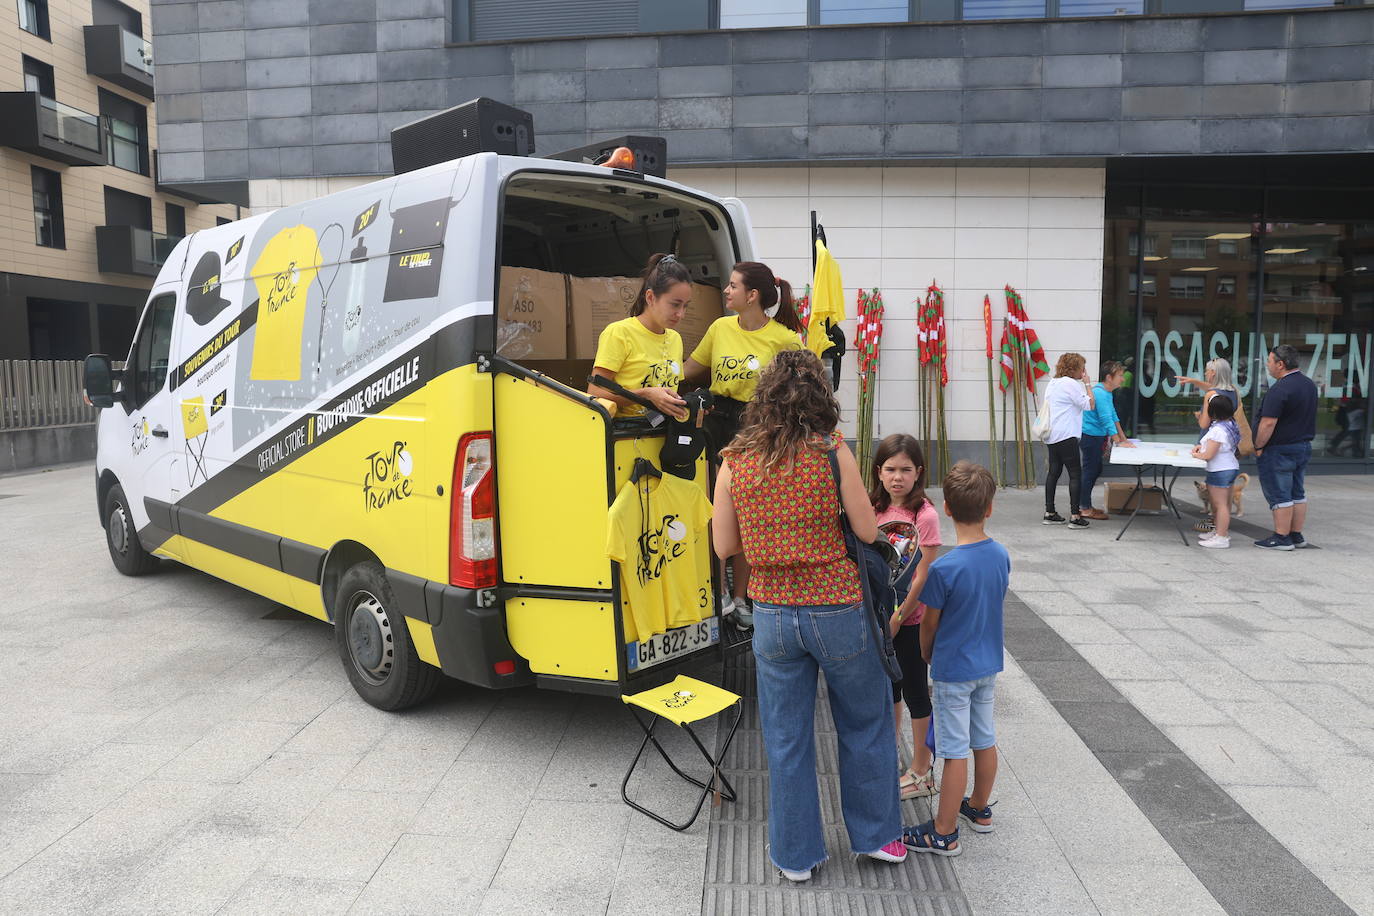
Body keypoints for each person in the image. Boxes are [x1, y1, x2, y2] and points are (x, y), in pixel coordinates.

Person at [712, 349, 907, 881]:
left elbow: (725, 544)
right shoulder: (831, 451)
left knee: (786, 736)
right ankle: (877, 838)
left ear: (764, 397)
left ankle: (795, 855)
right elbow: (868, 532)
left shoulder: (735, 460)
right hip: (837, 605)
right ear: (820, 394)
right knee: (865, 723)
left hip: (773, 614)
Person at [684, 261, 804, 629]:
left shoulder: (785, 339)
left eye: (733, 286)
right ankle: (719, 592)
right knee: (716, 508)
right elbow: (688, 369)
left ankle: (742, 597)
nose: (726, 291)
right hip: (718, 422)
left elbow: (803, 392)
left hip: (759, 427)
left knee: (747, 512)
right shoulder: (720, 327)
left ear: (752, 295)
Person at [903, 461, 1009, 858]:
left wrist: (927, 653)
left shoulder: (943, 568)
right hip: (987, 665)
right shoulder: (1000, 555)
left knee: (953, 750)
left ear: (946, 508)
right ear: (990, 508)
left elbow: (929, 625)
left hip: (953, 670)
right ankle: (979, 809)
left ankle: (943, 832)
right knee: (984, 738)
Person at [868, 434, 941, 801]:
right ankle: (892, 756)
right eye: (891, 469)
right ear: (878, 472)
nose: (897, 477)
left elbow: (924, 575)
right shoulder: (870, 507)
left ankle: (922, 770)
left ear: (919, 473)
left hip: (908, 621)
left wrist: (900, 615)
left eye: (906, 470)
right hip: (878, 618)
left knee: (915, 691)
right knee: (889, 688)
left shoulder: (924, 514)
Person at [588, 253, 691, 421]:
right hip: (626, 437)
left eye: (685, 306)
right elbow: (594, 393)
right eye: (675, 304)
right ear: (650, 297)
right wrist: (645, 394)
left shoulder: (675, 339)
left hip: (666, 434)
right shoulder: (619, 333)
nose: (681, 314)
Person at [1253, 344, 1318, 550]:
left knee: (1279, 493)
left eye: (1270, 361)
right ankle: (1295, 535)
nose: (1267, 365)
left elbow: (1268, 423)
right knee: (1297, 492)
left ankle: (1281, 537)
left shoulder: (1280, 389)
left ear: (1280, 364)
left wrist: (1258, 445)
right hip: (1302, 446)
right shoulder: (1309, 384)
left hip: (1279, 449)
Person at [1043, 352, 1095, 529]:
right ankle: (1075, 516)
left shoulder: (1053, 383)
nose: (1083, 371)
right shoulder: (1071, 384)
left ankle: (1049, 512)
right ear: (1075, 369)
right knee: (1075, 474)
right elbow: (1090, 404)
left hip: (1052, 434)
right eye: (1082, 368)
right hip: (1066, 434)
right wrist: (1087, 383)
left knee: (1054, 472)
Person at [1079, 361, 1135, 520]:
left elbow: (1114, 417)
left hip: (1096, 437)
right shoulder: (1101, 394)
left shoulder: (1106, 393)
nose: (1123, 379)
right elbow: (1105, 419)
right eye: (1120, 376)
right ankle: (1084, 508)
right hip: (1091, 437)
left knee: (1095, 470)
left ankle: (1085, 505)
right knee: (1090, 471)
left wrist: (1123, 439)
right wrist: (1118, 441)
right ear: (1109, 377)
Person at [1190, 396, 1242, 549]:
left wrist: (1196, 454)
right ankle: (1218, 532)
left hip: (1221, 469)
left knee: (1220, 505)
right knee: (1219, 504)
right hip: (1226, 467)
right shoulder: (1228, 424)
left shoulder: (1218, 430)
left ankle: (1222, 536)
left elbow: (1208, 455)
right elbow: (1215, 448)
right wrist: (1201, 447)